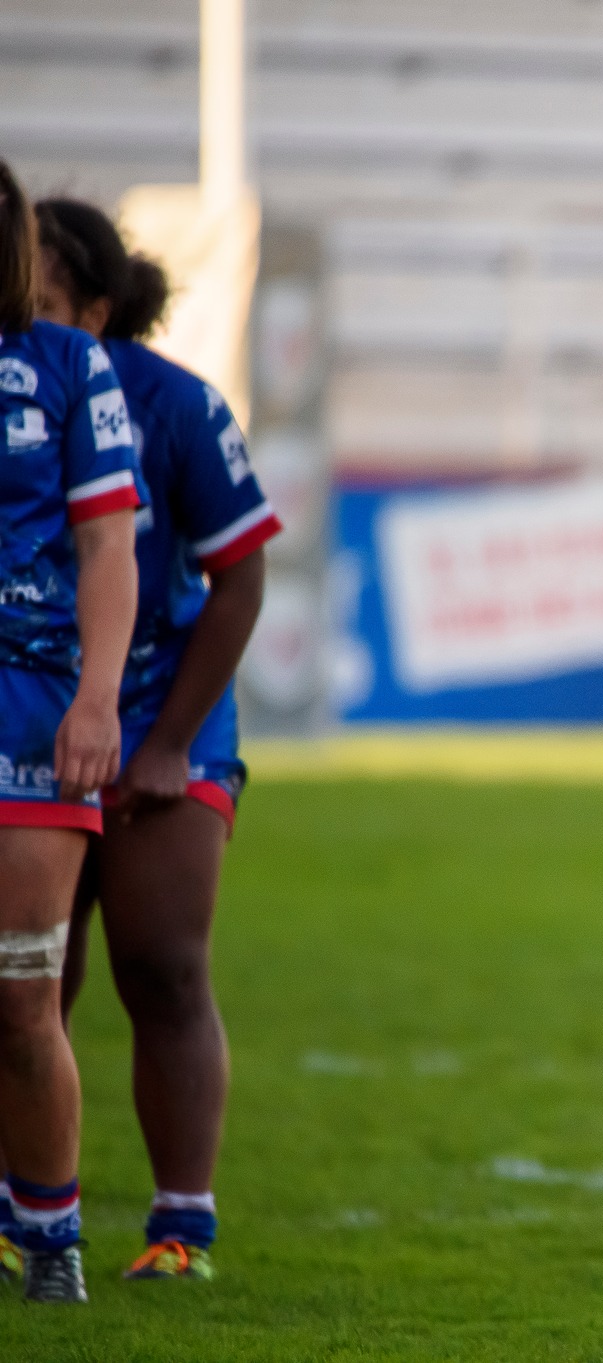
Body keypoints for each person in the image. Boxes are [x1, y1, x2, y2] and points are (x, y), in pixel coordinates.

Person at [25, 198, 279, 1283]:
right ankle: (31, 1210)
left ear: (95, 308)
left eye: (38, 300)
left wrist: (169, 741)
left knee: (164, 966)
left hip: (164, 712)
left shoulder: (176, 405)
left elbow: (241, 577)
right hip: (35, 714)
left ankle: (182, 1228)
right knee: (31, 980)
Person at [0, 159, 143, 1304]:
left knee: (21, 994)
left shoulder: (67, 366)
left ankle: (50, 1238)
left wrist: (100, 697)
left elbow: (107, 545)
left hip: (31, 699)